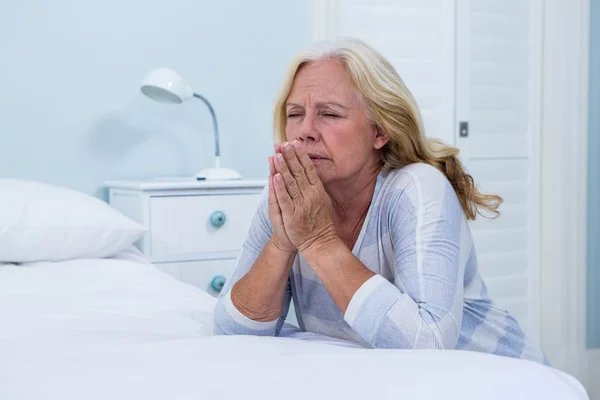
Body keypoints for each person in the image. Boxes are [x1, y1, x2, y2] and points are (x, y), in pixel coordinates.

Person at [213, 37, 548, 365]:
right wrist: (284, 242)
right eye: (295, 113)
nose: (306, 131)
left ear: (380, 131)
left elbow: (428, 347)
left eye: (329, 114)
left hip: (501, 377)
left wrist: (318, 241)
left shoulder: (417, 188)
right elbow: (231, 332)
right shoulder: (290, 195)